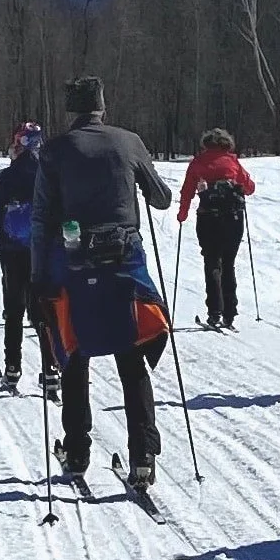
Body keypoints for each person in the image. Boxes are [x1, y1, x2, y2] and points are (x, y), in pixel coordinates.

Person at [31, 76, 174, 486]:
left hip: (74, 268)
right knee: (131, 357)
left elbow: (42, 220)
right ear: (102, 108)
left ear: (71, 111)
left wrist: (40, 279)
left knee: (74, 355)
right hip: (125, 264)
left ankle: (77, 452)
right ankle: (143, 454)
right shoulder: (129, 141)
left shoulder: (55, 151)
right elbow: (161, 197)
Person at [0, 122, 57, 394]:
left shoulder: (7, 177)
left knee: (14, 311)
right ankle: (51, 370)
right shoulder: (49, 175)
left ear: (19, 144)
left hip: (12, 251)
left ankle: (12, 369)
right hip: (43, 252)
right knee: (43, 310)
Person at [177, 128, 256, 330]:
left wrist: (182, 213)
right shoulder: (232, 162)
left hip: (208, 218)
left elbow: (187, 189)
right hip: (233, 219)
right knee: (229, 263)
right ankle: (230, 312)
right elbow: (250, 188)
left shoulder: (198, 162)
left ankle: (215, 312)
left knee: (212, 262)